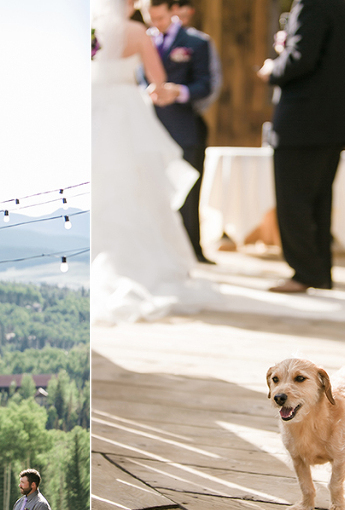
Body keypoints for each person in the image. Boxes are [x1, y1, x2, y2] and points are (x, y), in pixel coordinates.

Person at [91, 0, 220, 324]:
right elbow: (157, 80)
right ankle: (145, 264)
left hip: (94, 111)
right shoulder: (135, 32)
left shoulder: (89, 30)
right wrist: (158, 91)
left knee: (99, 184)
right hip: (126, 112)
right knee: (138, 185)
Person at [257, 0, 345, 292]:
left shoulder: (312, 4)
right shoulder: (338, 4)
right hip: (330, 123)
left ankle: (304, 273)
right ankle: (319, 272)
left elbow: (302, 58)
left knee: (294, 202)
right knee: (318, 202)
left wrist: (272, 69)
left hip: (304, 122)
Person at [143, 0, 213, 263]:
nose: (156, 24)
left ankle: (192, 249)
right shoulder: (143, 41)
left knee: (188, 191)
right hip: (149, 127)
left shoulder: (196, 42)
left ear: (173, 11)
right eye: (151, 19)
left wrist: (178, 91)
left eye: (160, 18)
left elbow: (205, 85)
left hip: (183, 127)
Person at [172, 0, 223, 116]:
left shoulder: (200, 41)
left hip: (188, 111)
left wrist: (195, 109)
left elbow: (214, 79)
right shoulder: (152, 38)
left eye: (184, 15)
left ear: (191, 12)